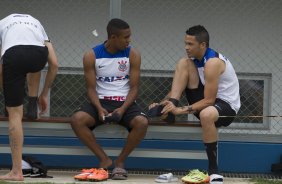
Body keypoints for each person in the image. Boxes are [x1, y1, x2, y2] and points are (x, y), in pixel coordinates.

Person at [149, 25, 240, 184]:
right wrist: (165, 103)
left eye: (190, 44)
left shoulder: (213, 62)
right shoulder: (193, 61)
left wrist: (180, 110)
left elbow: (209, 101)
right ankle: (168, 107)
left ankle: (213, 171)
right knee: (183, 63)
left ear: (203, 45)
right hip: (206, 101)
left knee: (206, 114)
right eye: (185, 43)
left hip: (226, 107)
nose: (186, 47)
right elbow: (182, 86)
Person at [71, 18, 148, 181]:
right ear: (113, 37)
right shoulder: (91, 55)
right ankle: (104, 159)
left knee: (141, 122)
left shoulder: (133, 53)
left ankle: (120, 162)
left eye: (129, 36)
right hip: (100, 101)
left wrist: (122, 109)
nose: (129, 40)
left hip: (125, 102)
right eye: (126, 37)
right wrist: (99, 108)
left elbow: (134, 88)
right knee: (77, 120)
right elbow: (91, 89)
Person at [0, 13, 58, 181]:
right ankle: (33, 101)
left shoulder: (3, 24)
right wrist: (44, 94)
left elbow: (1, 69)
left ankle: (16, 171)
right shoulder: (36, 22)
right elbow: (54, 64)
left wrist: (8, 95)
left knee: (15, 114)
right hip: (38, 54)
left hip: (14, 55)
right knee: (32, 63)